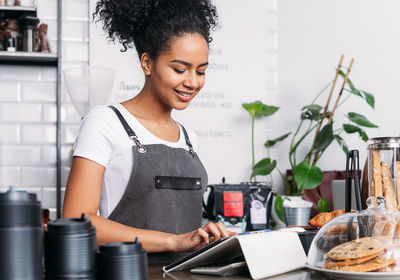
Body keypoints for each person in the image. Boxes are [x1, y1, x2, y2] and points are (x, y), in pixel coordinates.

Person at [62, 0, 235, 263]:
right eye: (179, 69)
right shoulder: (105, 122)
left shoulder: (189, 139)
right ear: (147, 63)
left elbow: (181, 221)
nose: (192, 81)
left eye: (201, 71)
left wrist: (211, 236)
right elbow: (76, 221)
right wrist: (173, 241)